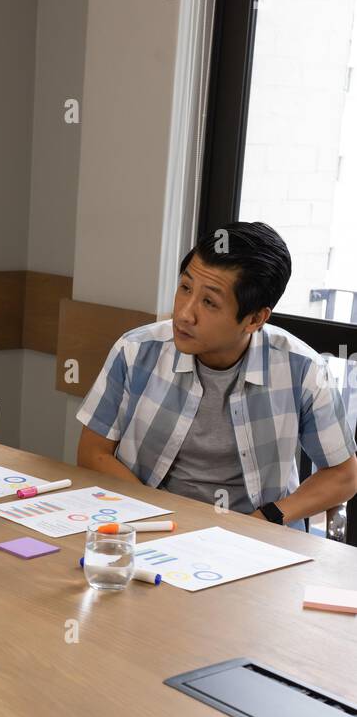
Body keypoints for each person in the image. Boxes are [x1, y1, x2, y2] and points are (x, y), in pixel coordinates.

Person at [77, 221, 357, 525]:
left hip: (254, 538)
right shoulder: (136, 351)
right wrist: (161, 519)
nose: (184, 313)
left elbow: (344, 475)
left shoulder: (303, 369)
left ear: (254, 318)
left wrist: (265, 520)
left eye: (209, 302)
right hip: (152, 526)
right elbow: (93, 454)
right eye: (185, 288)